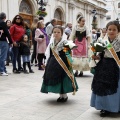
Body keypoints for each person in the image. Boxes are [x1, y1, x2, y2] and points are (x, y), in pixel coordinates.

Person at [41, 25, 78, 102]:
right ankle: (60, 95)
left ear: (62, 33)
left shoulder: (65, 42)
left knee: (62, 78)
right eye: (54, 32)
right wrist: (46, 63)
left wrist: (69, 62)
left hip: (63, 63)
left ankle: (64, 95)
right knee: (56, 78)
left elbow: (69, 53)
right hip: (53, 63)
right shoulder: (51, 43)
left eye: (58, 32)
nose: (56, 34)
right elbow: (49, 54)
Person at [90, 21, 120, 117]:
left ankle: (117, 107)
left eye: (114, 29)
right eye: (109, 29)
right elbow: (101, 55)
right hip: (104, 67)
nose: (111, 31)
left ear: (118, 31)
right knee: (102, 86)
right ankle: (104, 107)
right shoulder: (103, 42)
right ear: (106, 30)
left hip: (116, 67)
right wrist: (96, 57)